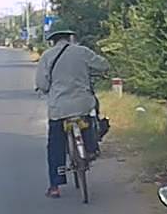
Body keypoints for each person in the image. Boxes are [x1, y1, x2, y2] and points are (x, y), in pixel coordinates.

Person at [34, 25, 110, 198]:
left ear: (53, 41)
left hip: (59, 108)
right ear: (70, 38)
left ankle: (55, 185)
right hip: (83, 104)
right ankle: (91, 148)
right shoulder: (82, 51)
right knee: (91, 116)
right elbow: (103, 65)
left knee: (55, 145)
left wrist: (47, 88)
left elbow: (42, 84)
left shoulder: (47, 56)